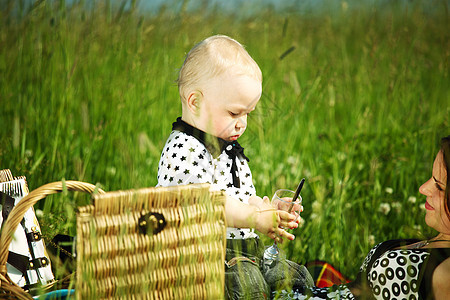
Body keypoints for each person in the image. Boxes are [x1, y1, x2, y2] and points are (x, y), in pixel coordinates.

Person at [156, 35, 313, 298]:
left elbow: (242, 198)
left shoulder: (229, 150)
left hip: (242, 253)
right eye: (233, 113)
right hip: (198, 259)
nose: (242, 123)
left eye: (247, 114)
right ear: (194, 102)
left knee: (293, 276)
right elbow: (208, 204)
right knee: (247, 286)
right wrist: (255, 218)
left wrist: (268, 210)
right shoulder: (185, 149)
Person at [275, 136, 450, 300]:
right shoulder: (439, 240)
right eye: (431, 178)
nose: (423, 188)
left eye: (440, 187)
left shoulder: (446, 274)